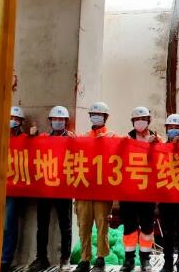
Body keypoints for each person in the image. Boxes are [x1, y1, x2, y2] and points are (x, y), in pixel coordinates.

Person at [27, 106, 75, 272]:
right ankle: (41, 258)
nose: (58, 122)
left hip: (63, 187)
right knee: (42, 225)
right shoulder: (44, 138)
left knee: (65, 225)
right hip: (45, 187)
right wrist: (32, 136)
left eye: (61, 119)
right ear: (50, 121)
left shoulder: (71, 139)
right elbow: (31, 150)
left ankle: (65, 258)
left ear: (66, 122)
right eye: (55, 119)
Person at [75, 102, 115, 272]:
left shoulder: (112, 137)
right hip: (84, 188)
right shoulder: (83, 137)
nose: (96, 117)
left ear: (106, 117)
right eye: (93, 114)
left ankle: (100, 258)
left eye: (99, 115)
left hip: (102, 190)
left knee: (102, 225)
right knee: (84, 225)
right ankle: (84, 259)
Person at [120, 107, 161, 272]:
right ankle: (129, 259)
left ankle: (145, 259)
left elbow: (164, 159)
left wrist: (155, 146)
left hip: (147, 191)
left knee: (147, 227)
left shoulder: (157, 139)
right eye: (137, 119)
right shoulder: (126, 139)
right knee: (129, 227)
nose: (140, 122)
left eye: (143, 119)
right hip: (129, 192)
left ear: (149, 121)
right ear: (132, 122)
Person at [160, 114, 179, 272]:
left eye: (177, 128)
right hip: (166, 197)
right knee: (167, 232)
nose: (173, 130)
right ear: (166, 129)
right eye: (170, 127)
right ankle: (167, 262)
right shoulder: (160, 148)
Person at [2, 106, 28, 272]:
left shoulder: (24, 139)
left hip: (14, 188)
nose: (13, 121)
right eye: (11, 118)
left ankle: (5, 260)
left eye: (17, 119)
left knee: (8, 224)